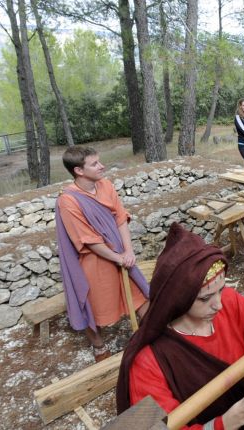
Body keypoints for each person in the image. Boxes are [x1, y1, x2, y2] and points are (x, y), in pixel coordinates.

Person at [116, 223, 244, 430]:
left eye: (220, 290)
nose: (218, 304)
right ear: (178, 299)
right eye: (205, 298)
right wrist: (235, 417)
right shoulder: (146, 363)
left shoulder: (229, 302)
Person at [55, 146, 150, 362]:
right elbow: (87, 239)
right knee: (94, 305)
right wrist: (118, 258)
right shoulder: (68, 200)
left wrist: (128, 251)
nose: (102, 166)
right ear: (79, 171)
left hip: (121, 253)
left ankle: (154, 336)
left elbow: (120, 218)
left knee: (141, 294)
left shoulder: (105, 185)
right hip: (95, 260)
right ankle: (99, 347)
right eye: (95, 164)